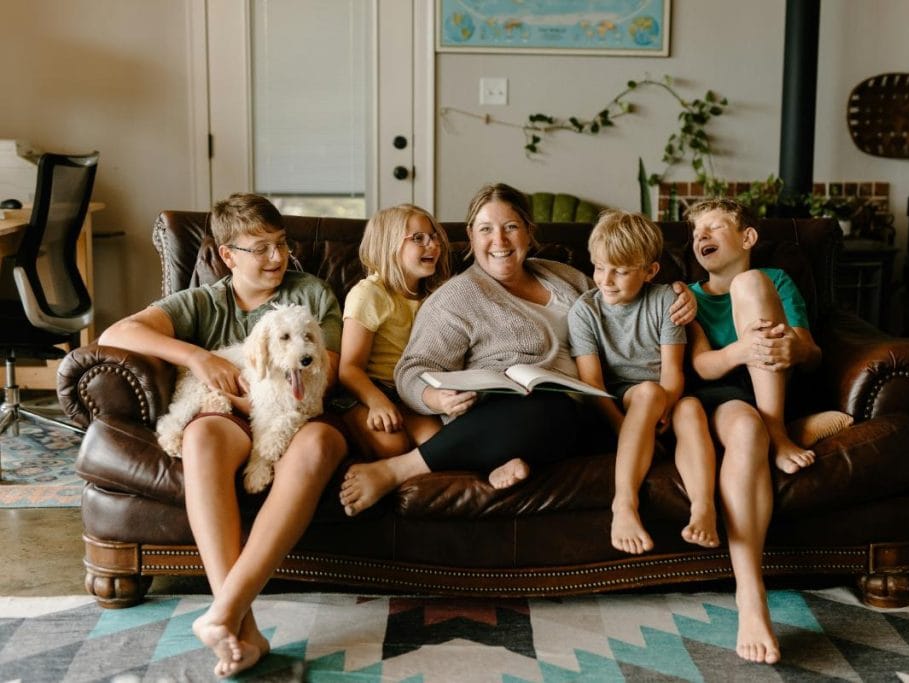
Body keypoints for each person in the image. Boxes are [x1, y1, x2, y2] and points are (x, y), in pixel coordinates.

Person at [97, 193, 347, 678]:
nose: (277, 258)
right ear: (227, 255)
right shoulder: (203, 303)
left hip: (303, 417)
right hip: (231, 412)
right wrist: (196, 357)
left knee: (315, 447)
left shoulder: (313, 294)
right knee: (200, 438)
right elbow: (116, 334)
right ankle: (241, 626)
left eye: (281, 245)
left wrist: (268, 402)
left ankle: (224, 612)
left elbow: (326, 375)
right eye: (260, 248)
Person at [339, 183, 697, 516]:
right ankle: (397, 470)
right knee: (547, 408)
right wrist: (436, 399)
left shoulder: (567, 277)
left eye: (511, 227)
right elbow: (411, 370)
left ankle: (513, 458)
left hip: (593, 407)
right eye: (485, 229)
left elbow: (627, 300)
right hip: (513, 412)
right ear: (470, 236)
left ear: (528, 231)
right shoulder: (455, 298)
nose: (500, 240)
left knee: (580, 412)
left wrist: (680, 296)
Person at [685, 197, 822, 665]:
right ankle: (751, 593)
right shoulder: (687, 294)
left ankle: (779, 428)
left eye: (715, 226)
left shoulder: (775, 281)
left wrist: (792, 349)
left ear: (747, 238)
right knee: (744, 430)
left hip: (774, 383)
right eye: (697, 230)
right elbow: (701, 367)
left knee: (750, 284)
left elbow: (810, 349)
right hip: (721, 393)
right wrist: (744, 349)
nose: (702, 235)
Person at [568, 209, 719, 556]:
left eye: (620, 271)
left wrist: (665, 407)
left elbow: (672, 373)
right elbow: (591, 382)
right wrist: (626, 427)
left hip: (665, 395)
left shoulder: (666, 300)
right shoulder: (585, 311)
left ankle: (702, 507)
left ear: (649, 271)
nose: (606, 280)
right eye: (599, 267)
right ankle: (624, 504)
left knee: (692, 408)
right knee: (647, 393)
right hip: (621, 399)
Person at [336, 204, 449, 459]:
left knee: (436, 442)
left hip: (412, 393)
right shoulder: (369, 294)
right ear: (389, 246)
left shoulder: (436, 296)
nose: (431, 244)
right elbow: (349, 369)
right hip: (366, 391)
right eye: (418, 238)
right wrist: (376, 401)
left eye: (433, 237)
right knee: (392, 445)